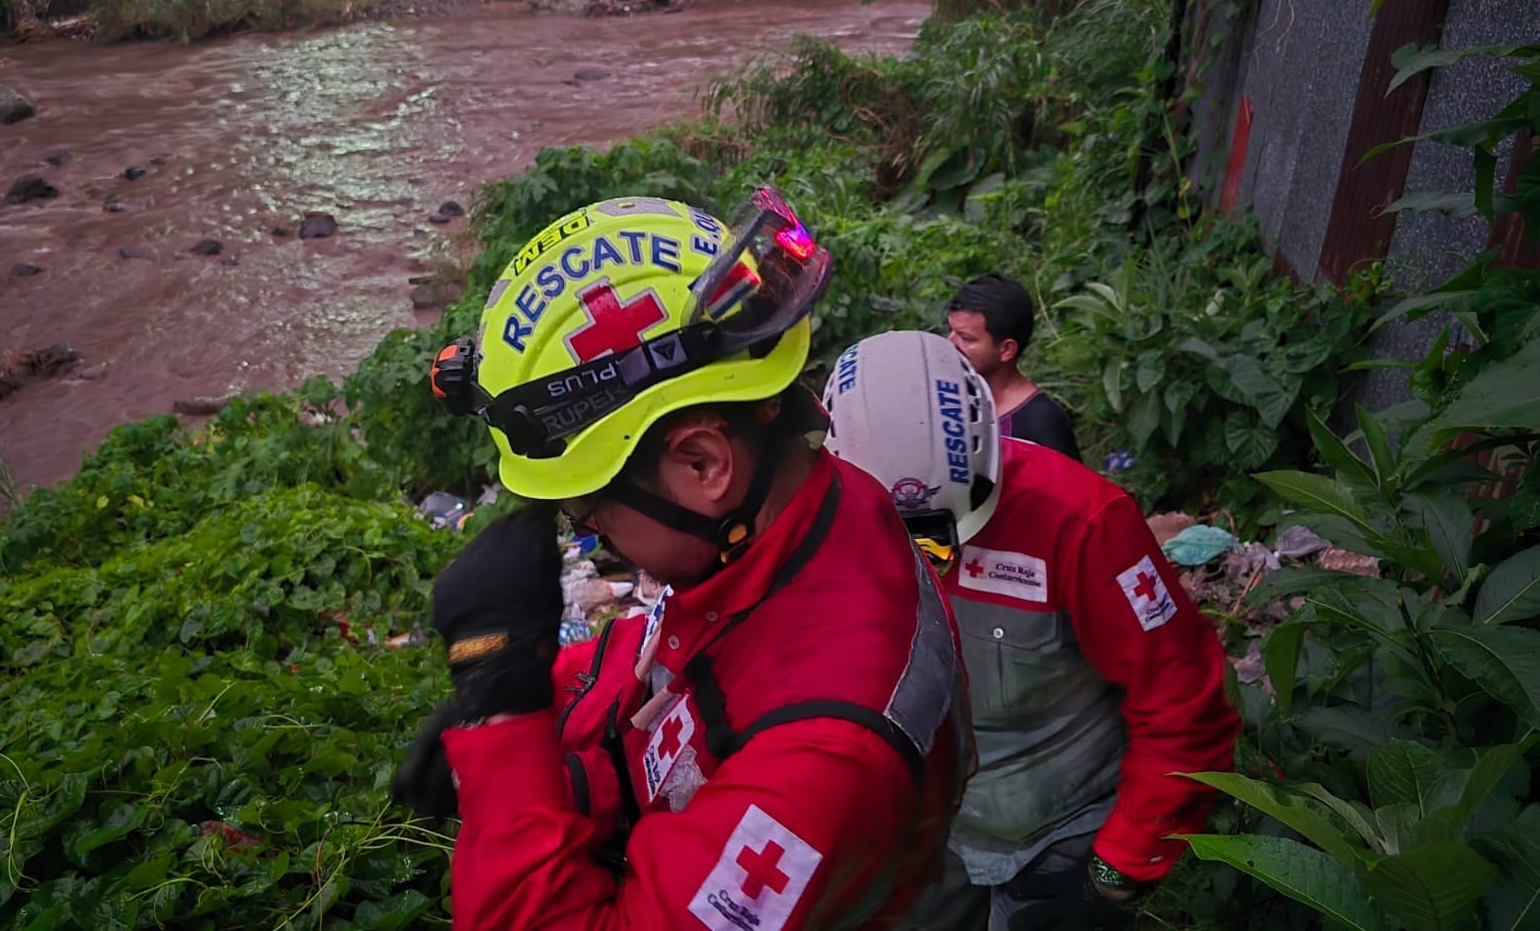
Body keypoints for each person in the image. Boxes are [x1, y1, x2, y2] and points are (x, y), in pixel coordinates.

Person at [394, 190, 974, 931]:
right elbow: (686, 665)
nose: (592, 531)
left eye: (590, 506)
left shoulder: (821, 764)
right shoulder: (813, 513)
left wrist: (504, 731)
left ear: (703, 464)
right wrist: (558, 726)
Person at [821, 330, 1240, 931]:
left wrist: (1120, 867)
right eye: (901, 538)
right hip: (930, 836)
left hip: (1058, 838)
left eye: (941, 537)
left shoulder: (1083, 524)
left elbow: (1183, 705)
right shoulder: (825, 520)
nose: (929, 560)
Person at [946, 274, 1080, 461]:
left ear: (1006, 350)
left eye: (966, 338)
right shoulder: (949, 399)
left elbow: (1070, 488)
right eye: (951, 330)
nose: (950, 343)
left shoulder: (1042, 422)